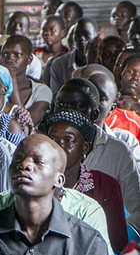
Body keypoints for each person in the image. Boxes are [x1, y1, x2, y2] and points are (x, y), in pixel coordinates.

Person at [56, 78, 140, 233]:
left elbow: (136, 210)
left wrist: (110, 239)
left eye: (75, 106)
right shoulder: (42, 145)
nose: (66, 112)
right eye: (60, 105)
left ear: (94, 114)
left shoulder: (117, 152)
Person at [40, 109, 128, 253]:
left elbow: (118, 244)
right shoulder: (35, 181)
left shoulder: (105, 185)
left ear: (84, 148)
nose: (59, 147)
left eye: (68, 140)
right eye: (53, 141)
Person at [0, 34, 53, 127]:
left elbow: (26, 126)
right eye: (5, 54)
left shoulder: (42, 91)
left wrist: (12, 79)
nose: (9, 60)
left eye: (17, 55)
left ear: (29, 59)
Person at [43, 18, 97, 95]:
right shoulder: (59, 64)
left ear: (97, 37)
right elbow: (56, 97)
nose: (81, 38)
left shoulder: (105, 61)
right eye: (77, 34)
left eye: (86, 34)